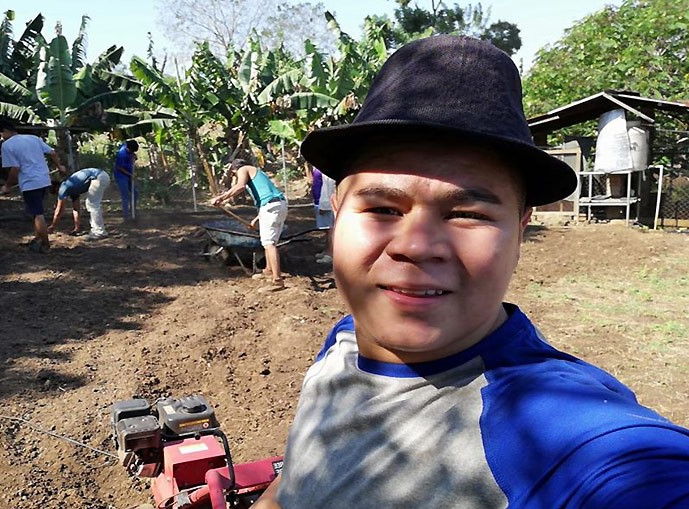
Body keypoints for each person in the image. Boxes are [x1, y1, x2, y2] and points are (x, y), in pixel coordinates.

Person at [253, 36, 689, 509]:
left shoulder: (551, 431)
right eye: (382, 207)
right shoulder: (345, 339)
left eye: (469, 214)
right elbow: (301, 476)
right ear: (337, 215)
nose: (416, 246)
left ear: (520, 231)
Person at [211, 159, 288, 292]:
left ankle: (277, 281)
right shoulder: (258, 174)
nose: (235, 177)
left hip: (271, 207)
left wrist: (221, 198)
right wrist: (256, 219)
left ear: (235, 169)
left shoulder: (243, 169)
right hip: (276, 205)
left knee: (269, 244)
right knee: (268, 242)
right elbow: (269, 196)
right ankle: (268, 270)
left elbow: (240, 186)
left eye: (233, 174)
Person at [0, 119, 65, 253]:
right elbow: (52, 152)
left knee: (37, 214)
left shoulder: (7, 145)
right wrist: (60, 166)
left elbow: (15, 169)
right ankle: (38, 239)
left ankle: (45, 245)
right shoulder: (33, 138)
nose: (1, 137)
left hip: (30, 182)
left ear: (5, 131)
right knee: (37, 212)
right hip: (44, 180)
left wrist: (7, 186)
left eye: (1, 134)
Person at [48, 167, 111, 241]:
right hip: (101, 175)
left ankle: (98, 232)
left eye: (56, 194)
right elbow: (76, 209)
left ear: (56, 189)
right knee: (92, 204)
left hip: (97, 177)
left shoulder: (63, 188)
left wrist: (52, 226)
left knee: (92, 204)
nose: (58, 195)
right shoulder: (72, 188)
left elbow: (59, 210)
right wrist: (76, 228)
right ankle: (97, 231)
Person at [310, 166, 335, 264]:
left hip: (325, 202)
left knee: (331, 229)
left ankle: (331, 253)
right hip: (318, 200)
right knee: (326, 229)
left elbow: (329, 188)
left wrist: (324, 205)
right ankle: (328, 249)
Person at [113, 139, 139, 220]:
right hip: (121, 176)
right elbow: (119, 168)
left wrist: (134, 156)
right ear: (128, 148)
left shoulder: (128, 146)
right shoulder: (122, 154)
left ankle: (133, 212)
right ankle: (126, 217)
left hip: (129, 174)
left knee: (135, 193)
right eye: (131, 151)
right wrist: (130, 175)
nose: (132, 152)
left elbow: (132, 155)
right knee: (125, 196)